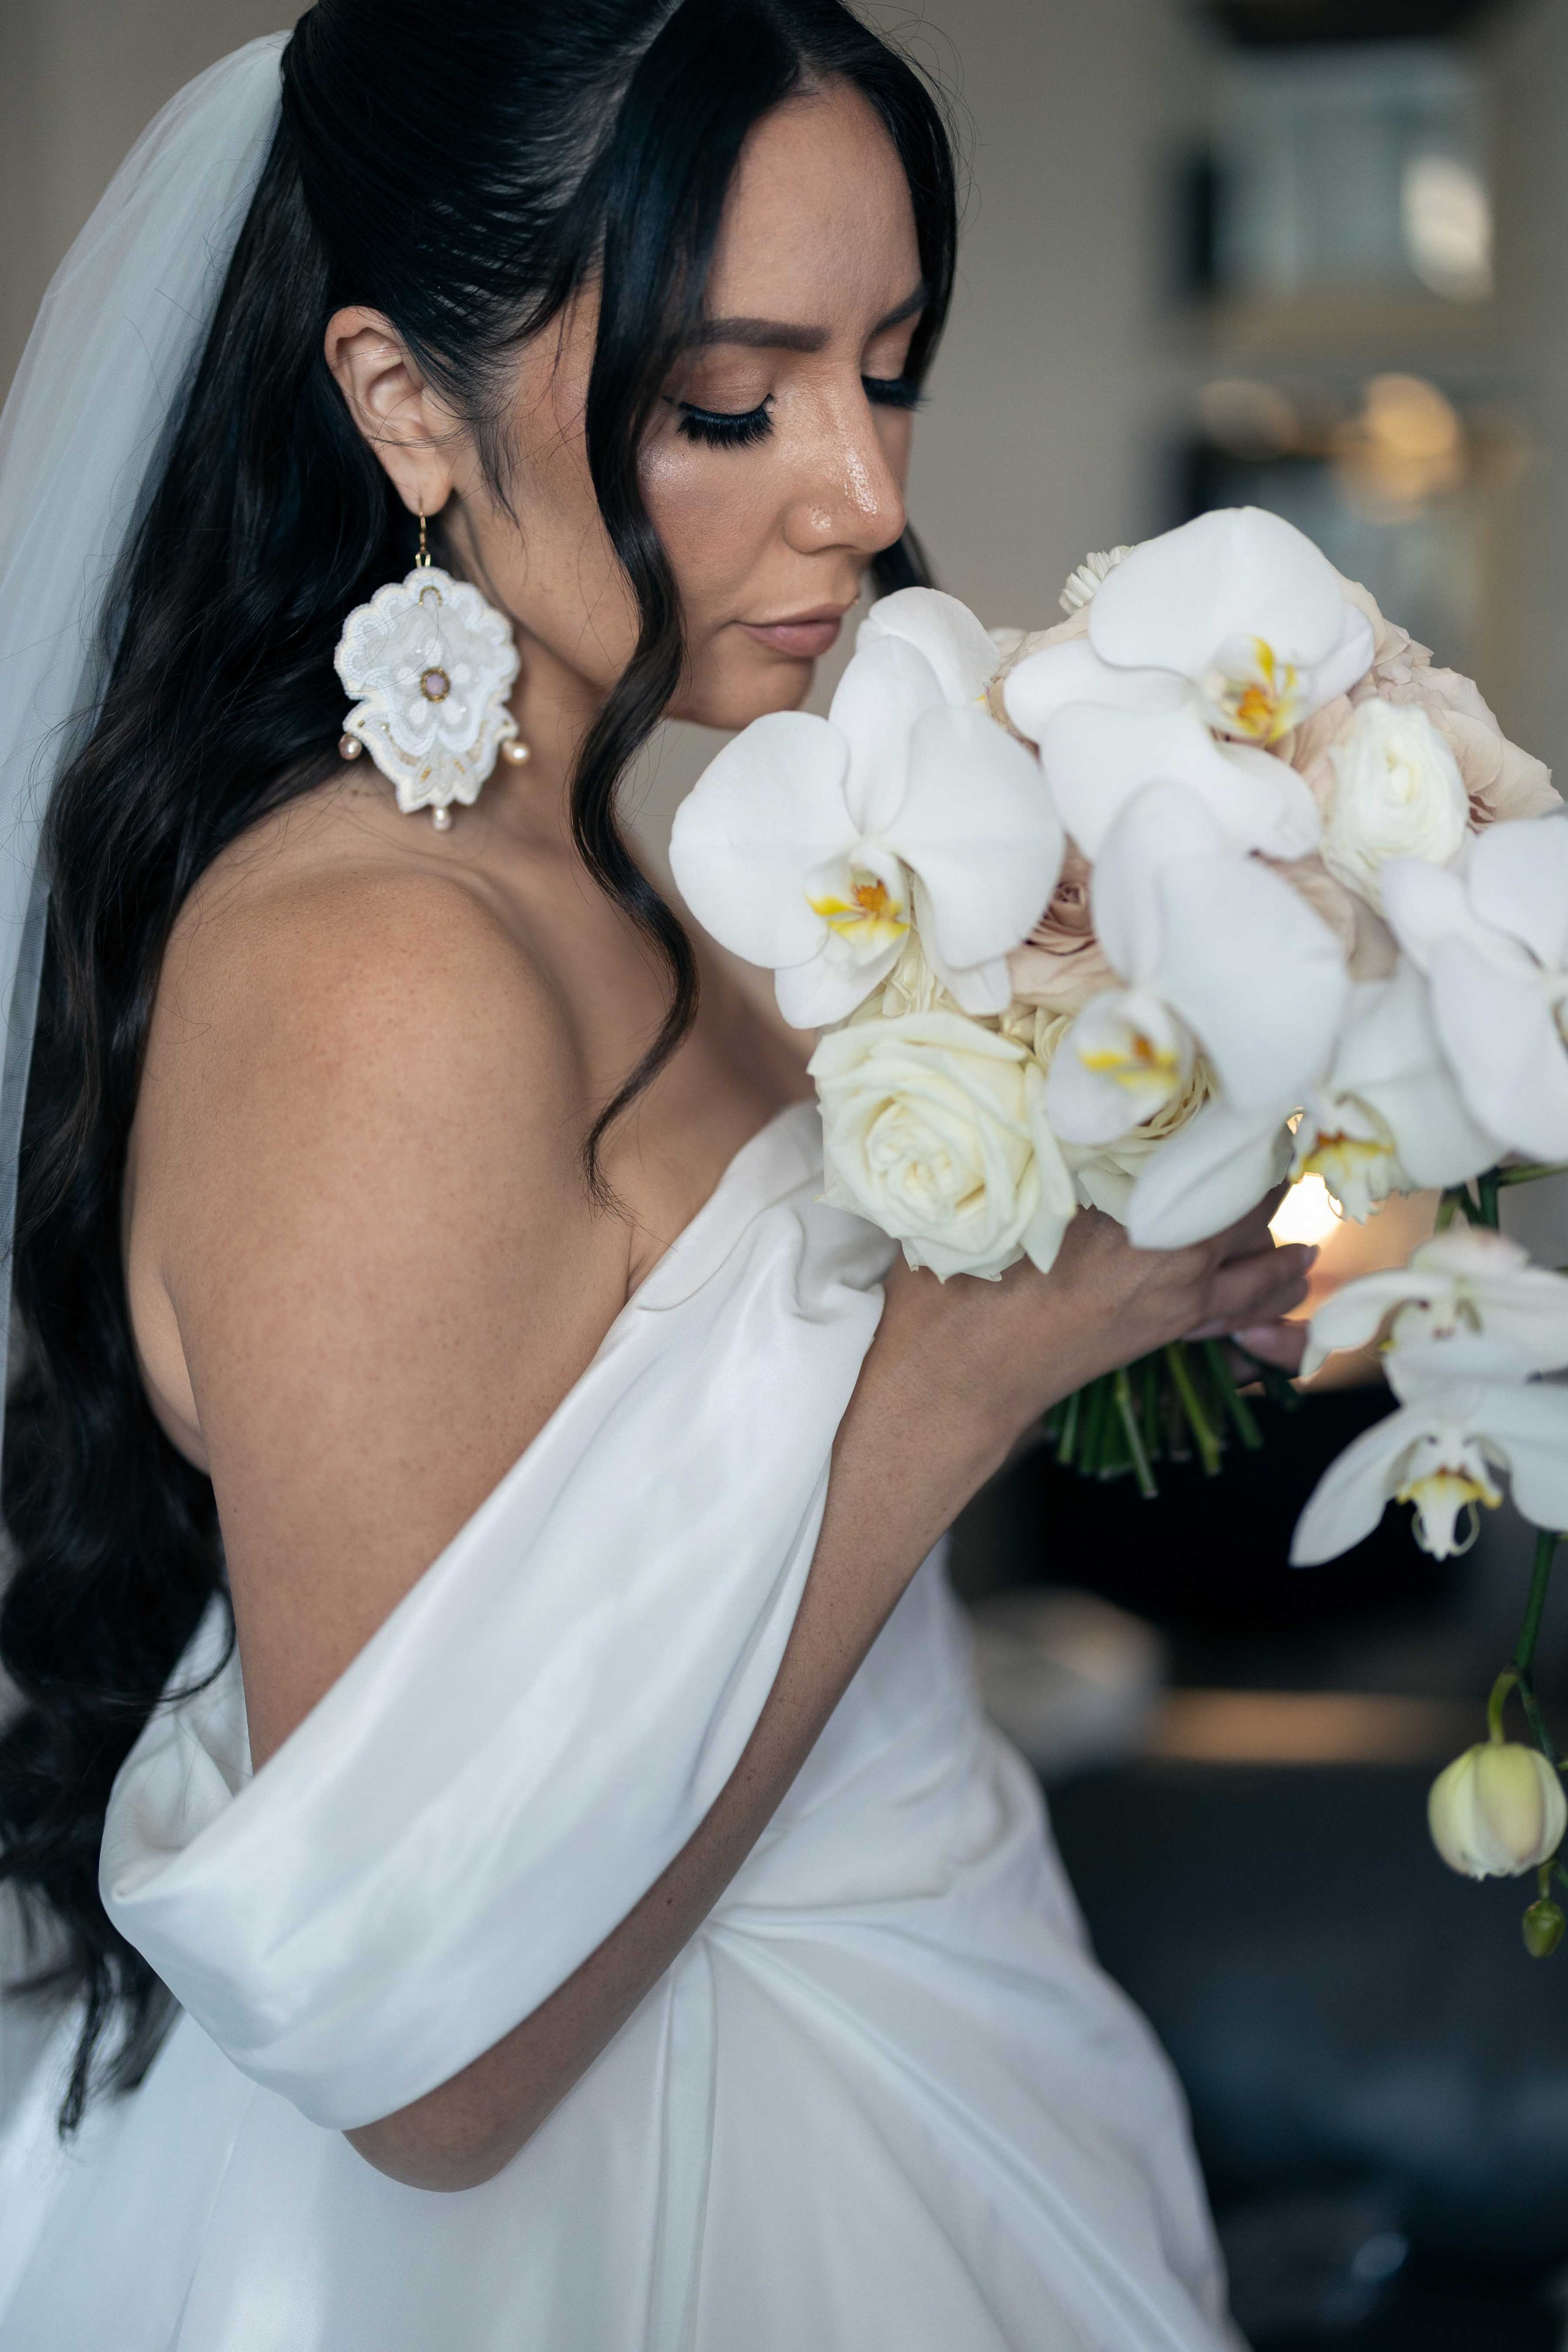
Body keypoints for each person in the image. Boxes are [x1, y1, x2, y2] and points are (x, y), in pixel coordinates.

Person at [0, 7, 1310, 2345]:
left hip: (922, 2036)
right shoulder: (383, 976)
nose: (864, 496)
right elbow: (435, 2074)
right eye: (732, 403)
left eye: (886, 370)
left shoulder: (613, 885)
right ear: (406, 405)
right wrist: (967, 1373)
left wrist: (1171, 1201)